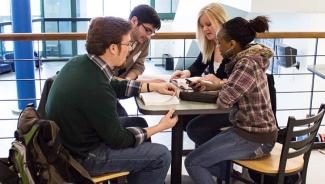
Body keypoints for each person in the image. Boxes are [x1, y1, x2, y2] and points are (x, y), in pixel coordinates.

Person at [45, 16, 178, 184]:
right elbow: (118, 139)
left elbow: (113, 84)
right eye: (128, 44)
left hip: (68, 145)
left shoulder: (80, 63)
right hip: (83, 158)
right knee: (161, 155)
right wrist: (160, 127)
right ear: (113, 48)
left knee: (139, 122)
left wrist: (151, 87)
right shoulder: (96, 87)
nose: (129, 49)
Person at [185, 16, 278, 183]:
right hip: (250, 132)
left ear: (233, 44)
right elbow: (236, 86)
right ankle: (227, 174)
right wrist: (214, 87)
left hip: (255, 139)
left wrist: (217, 88)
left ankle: (223, 172)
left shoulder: (246, 64)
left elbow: (224, 102)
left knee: (193, 162)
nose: (218, 47)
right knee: (196, 133)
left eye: (220, 43)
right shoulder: (249, 58)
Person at [171, 3, 231, 145]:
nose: (204, 29)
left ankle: (213, 158)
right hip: (214, 103)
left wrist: (218, 82)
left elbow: (238, 84)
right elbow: (198, 65)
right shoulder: (211, 45)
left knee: (195, 128)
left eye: (208, 24)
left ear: (222, 21)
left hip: (229, 106)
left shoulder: (234, 48)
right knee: (182, 119)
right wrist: (186, 72)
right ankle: (209, 158)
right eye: (202, 26)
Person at [115, 4, 161, 116]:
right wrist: (148, 85)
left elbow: (139, 66)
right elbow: (105, 79)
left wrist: (128, 80)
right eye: (147, 30)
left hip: (118, 89)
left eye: (152, 32)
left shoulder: (144, 41)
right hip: (103, 92)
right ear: (134, 21)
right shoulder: (113, 36)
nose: (149, 36)